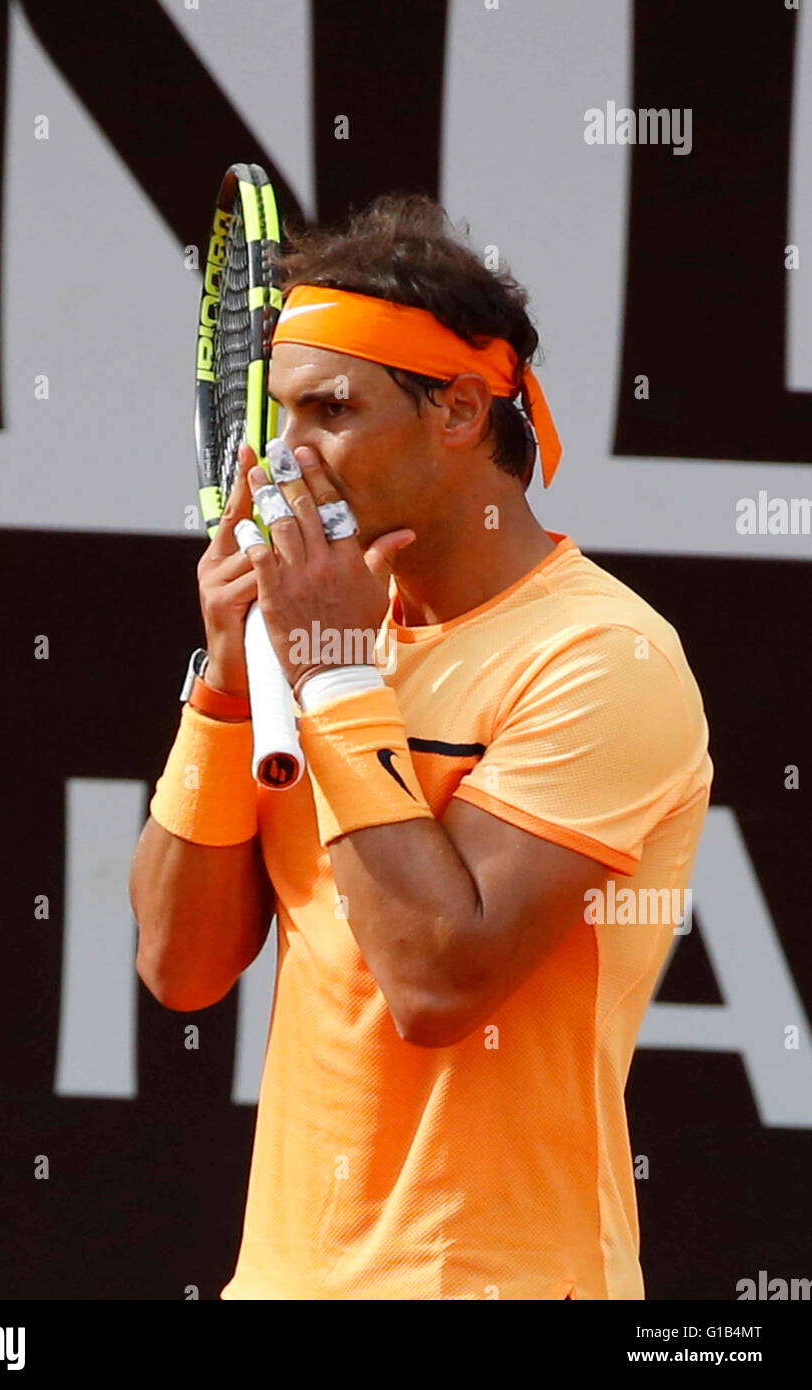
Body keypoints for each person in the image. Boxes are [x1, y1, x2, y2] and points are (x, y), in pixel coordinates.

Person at [129, 193, 713, 1300]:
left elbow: (436, 985)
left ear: (454, 411)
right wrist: (224, 682)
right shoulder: (318, 631)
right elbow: (179, 966)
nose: (283, 458)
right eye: (278, 416)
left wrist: (339, 680)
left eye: (330, 411)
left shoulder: (603, 656)